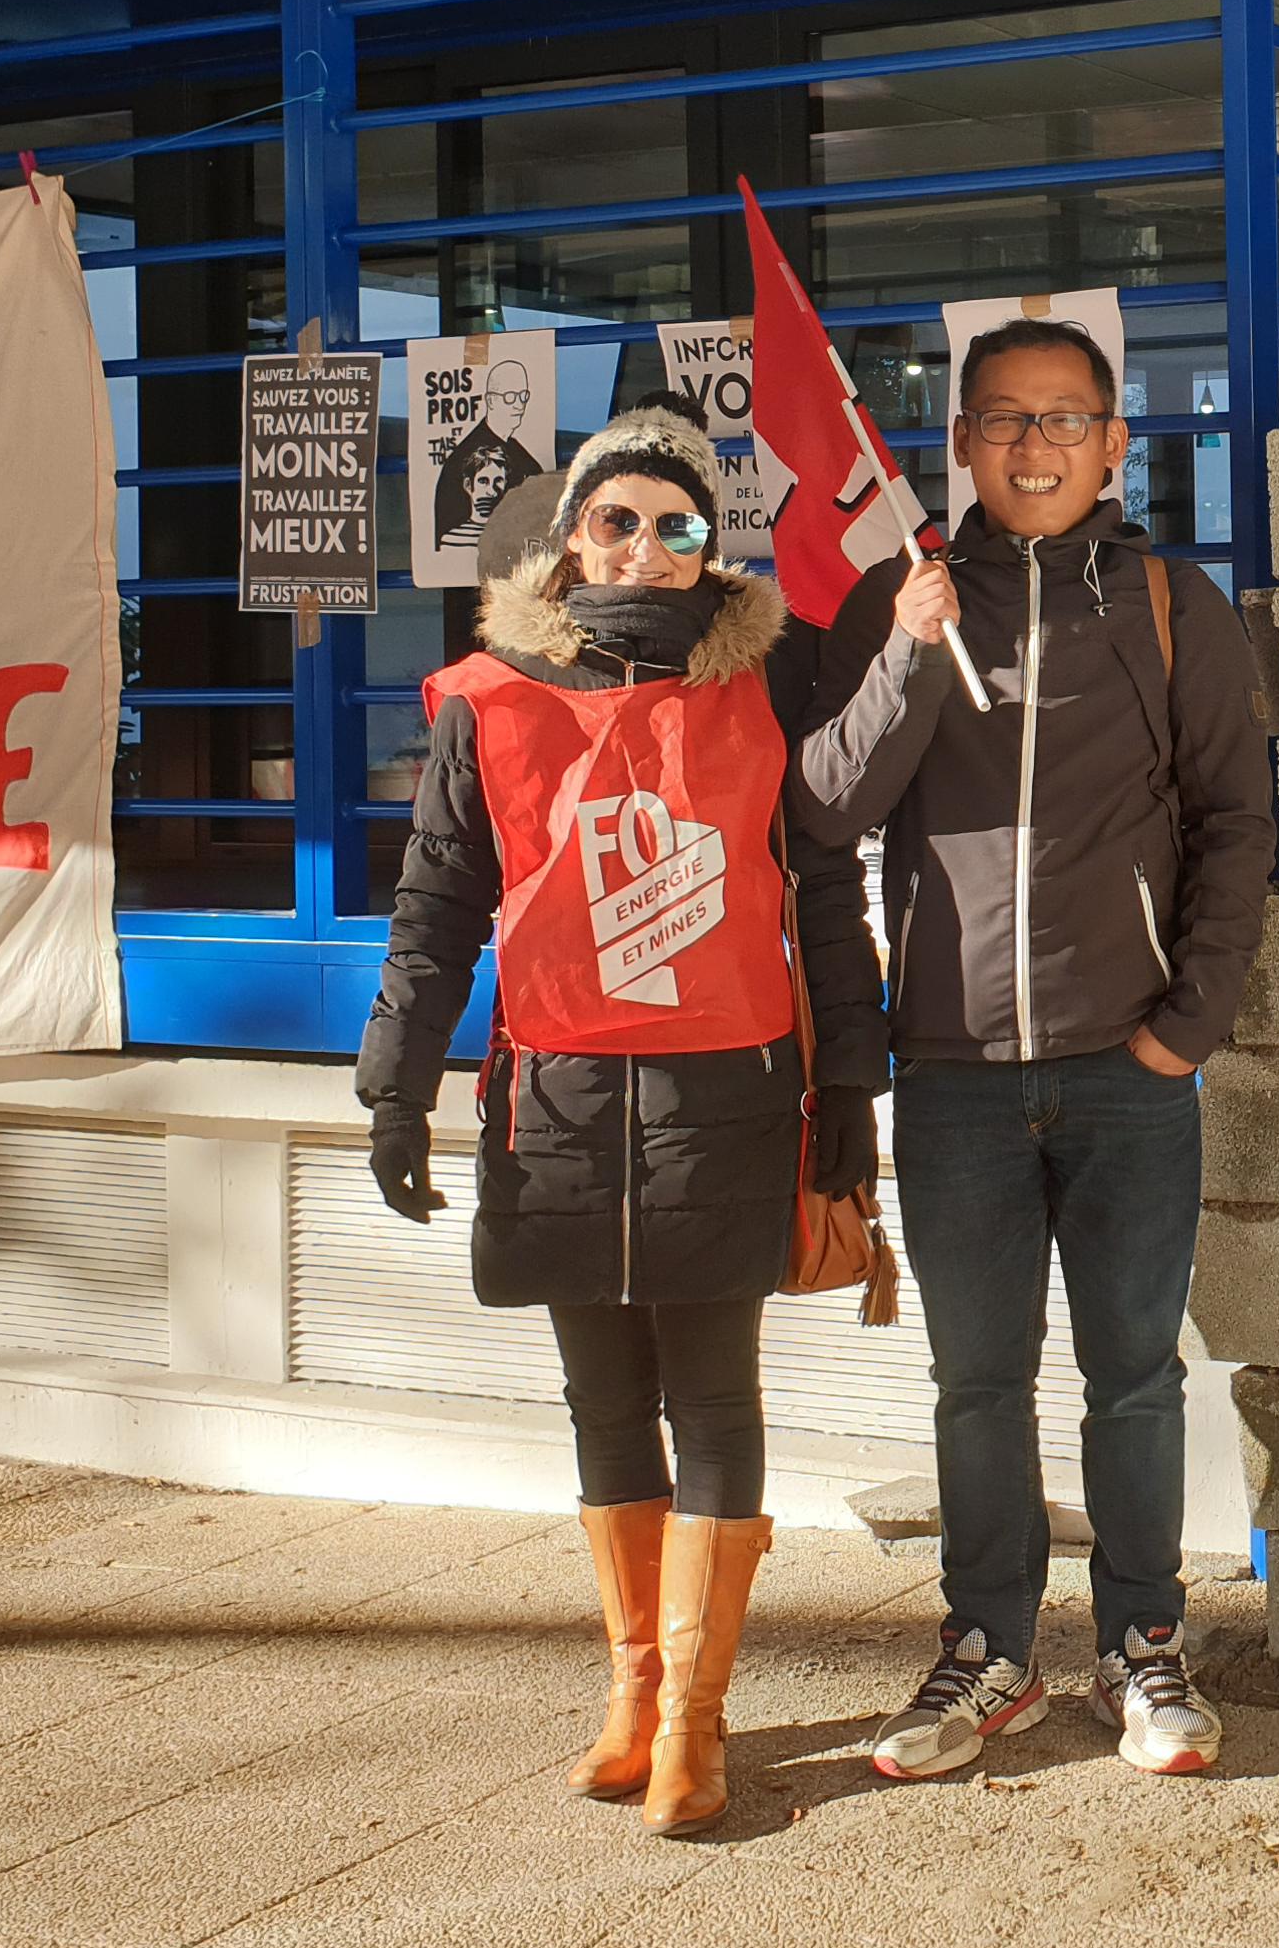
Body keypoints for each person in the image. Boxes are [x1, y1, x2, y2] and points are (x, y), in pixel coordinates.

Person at [356, 394, 887, 1835]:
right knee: (603, 1401)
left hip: (732, 1097)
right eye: (617, 520)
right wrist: (396, 1084)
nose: (647, 547)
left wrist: (851, 1087)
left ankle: (702, 1725)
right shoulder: (492, 701)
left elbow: (827, 899)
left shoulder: (775, 693)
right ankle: (633, 1693)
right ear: (570, 536)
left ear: (711, 547)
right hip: (564, 1101)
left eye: (678, 525)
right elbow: (437, 908)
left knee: (714, 1397)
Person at [793, 317, 1273, 1780]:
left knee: (1135, 1377)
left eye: (1065, 418)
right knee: (975, 1384)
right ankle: (987, 1654)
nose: (1035, 444)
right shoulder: (899, 597)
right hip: (952, 1078)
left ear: (1115, 444)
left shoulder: (1172, 604)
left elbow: (1239, 827)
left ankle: (1142, 1645)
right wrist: (909, 657)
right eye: (1004, 419)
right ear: (964, 443)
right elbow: (822, 813)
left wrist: (1183, 1030)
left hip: (1125, 1070)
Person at [428, 353, 540, 552]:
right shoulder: (465, 460)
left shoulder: (523, 457)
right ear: (490, 401)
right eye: (510, 397)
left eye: (524, 396)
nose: (519, 404)